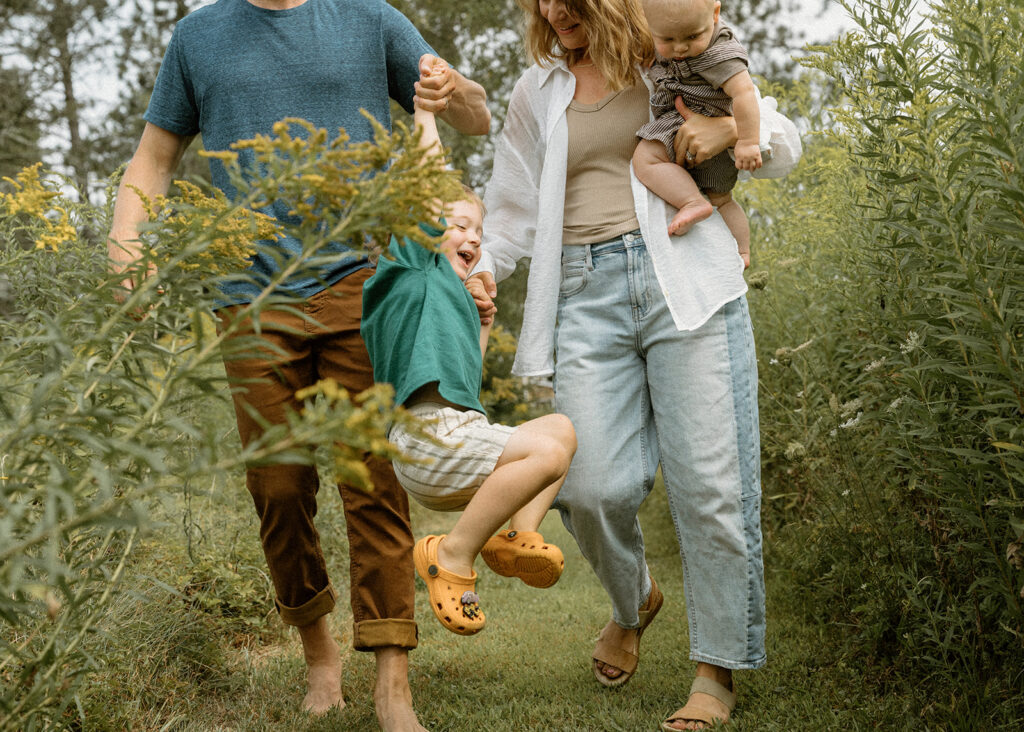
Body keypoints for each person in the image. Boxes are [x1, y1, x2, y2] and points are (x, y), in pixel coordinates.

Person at [105, 1, 489, 730]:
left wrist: (451, 88)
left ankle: (392, 676)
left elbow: (474, 116)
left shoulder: (369, 17)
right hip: (250, 293)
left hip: (359, 279)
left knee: (372, 477)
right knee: (277, 483)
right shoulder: (198, 34)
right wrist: (127, 249)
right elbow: (154, 157)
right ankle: (318, 649)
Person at [470, 0, 800, 728]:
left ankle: (715, 672)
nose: (554, 9)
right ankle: (635, 600)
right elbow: (513, 205)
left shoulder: (674, 54)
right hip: (585, 295)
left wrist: (727, 130)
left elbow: (781, 142)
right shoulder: (540, 89)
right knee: (587, 486)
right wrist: (481, 267)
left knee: (711, 485)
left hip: (685, 276)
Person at [361, 90, 576, 637]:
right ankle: (451, 554)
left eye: (477, 231)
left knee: (561, 428)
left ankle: (515, 534)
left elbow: (463, 387)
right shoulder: (411, 267)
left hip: (455, 430)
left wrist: (480, 326)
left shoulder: (447, 299)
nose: (472, 237)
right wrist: (426, 115)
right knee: (548, 452)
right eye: (456, 225)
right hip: (427, 439)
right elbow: (428, 191)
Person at [632, 0, 762, 267]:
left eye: (692, 36)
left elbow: (745, 93)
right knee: (724, 201)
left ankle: (692, 202)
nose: (680, 48)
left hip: (691, 124)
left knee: (645, 158)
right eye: (667, 39)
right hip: (701, 147)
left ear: (715, 14)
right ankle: (743, 253)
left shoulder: (721, 53)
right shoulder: (671, 36)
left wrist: (748, 141)